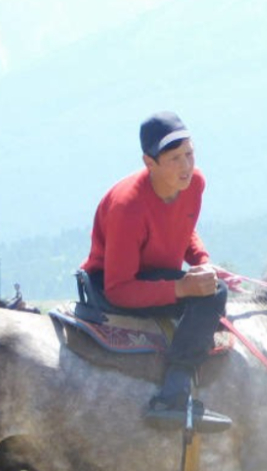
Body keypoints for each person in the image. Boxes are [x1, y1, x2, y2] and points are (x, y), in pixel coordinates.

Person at [81, 111, 230, 433]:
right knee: (214, 296)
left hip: (157, 275)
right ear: (149, 163)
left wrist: (202, 261)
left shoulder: (195, 183)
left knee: (212, 285)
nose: (186, 166)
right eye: (174, 159)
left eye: (189, 154)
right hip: (115, 283)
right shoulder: (127, 206)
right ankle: (174, 391)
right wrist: (183, 289)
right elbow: (119, 287)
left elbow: (184, 226)